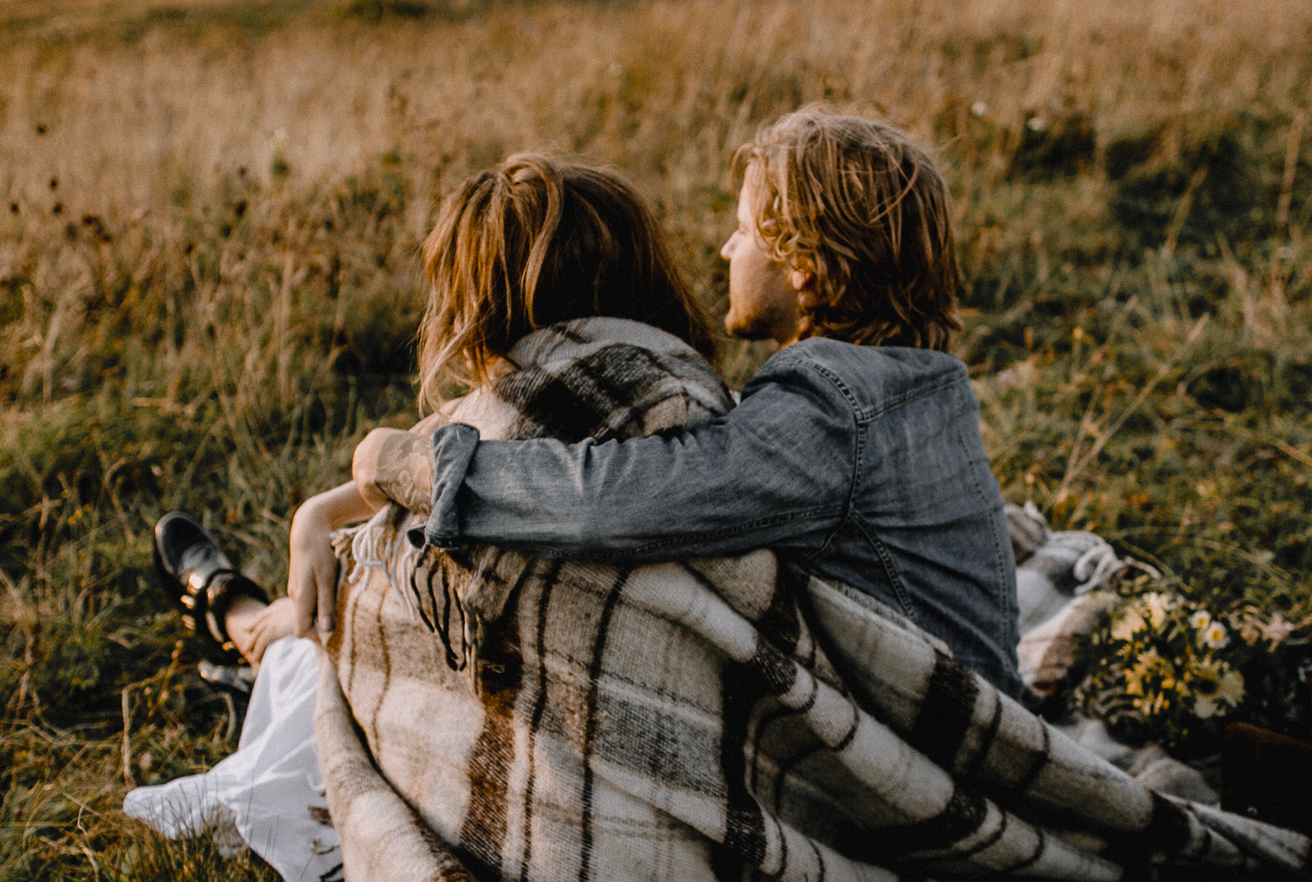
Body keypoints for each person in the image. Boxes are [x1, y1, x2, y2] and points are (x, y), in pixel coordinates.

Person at [128, 154, 720, 882]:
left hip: (542, 811)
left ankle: (235, 611)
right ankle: (241, 611)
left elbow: (401, 515)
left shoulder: (495, 449)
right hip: (668, 816)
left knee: (323, 633)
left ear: (478, 309)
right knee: (337, 598)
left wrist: (325, 531)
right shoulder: (697, 416)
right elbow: (421, 461)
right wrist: (317, 513)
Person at [350, 106, 1025, 697]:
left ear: (803, 264)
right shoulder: (916, 383)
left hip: (937, 750)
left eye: (744, 229)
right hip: (960, 698)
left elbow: (617, 502)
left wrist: (416, 467)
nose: (727, 248)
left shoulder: (830, 407)